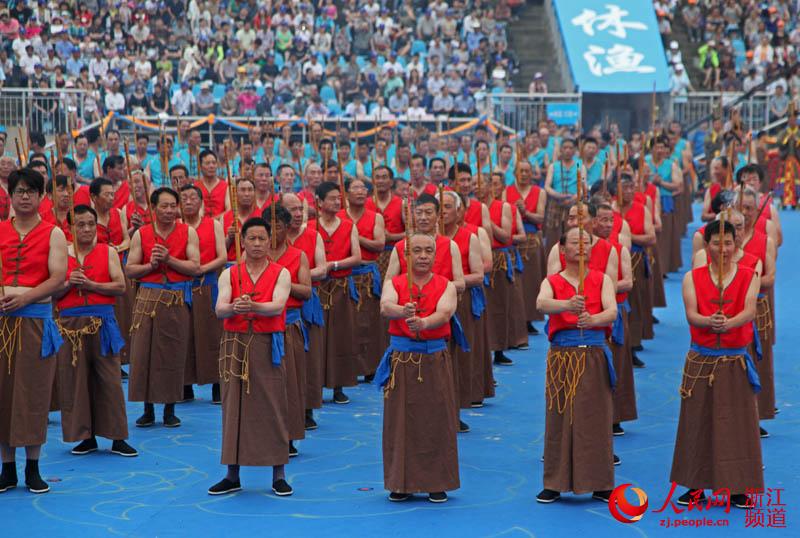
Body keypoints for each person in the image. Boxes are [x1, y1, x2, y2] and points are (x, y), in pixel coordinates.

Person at [669, 219, 762, 508]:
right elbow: (691, 314)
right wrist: (709, 322)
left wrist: (729, 324)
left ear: (737, 246)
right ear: (706, 245)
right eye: (717, 242)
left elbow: (748, 311)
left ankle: (737, 488)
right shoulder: (692, 278)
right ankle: (695, 486)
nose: (723, 248)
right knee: (697, 424)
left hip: (734, 360)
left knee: (737, 424)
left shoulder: (749, 274)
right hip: (701, 361)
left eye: (729, 242)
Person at [208, 217, 293, 497]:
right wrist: (235, 306)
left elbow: (278, 305)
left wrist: (253, 305)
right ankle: (232, 474)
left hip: (267, 343)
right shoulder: (230, 273)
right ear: (242, 241)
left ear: (270, 242)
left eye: (262, 239)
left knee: (273, 404)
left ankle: (279, 474)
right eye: (251, 238)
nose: (257, 244)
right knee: (234, 407)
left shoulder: (281, 272)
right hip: (235, 343)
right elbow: (220, 309)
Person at [535, 227, 617, 503]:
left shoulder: (601, 278)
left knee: (596, 418)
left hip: (593, 353)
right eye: (574, 242)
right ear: (562, 249)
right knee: (559, 416)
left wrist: (593, 320)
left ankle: (600, 482)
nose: (581, 247)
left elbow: (612, 311)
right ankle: (555, 482)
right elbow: (541, 303)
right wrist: (567, 305)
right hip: (562, 356)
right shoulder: (553, 280)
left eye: (586, 242)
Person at [376, 232, 459, 503]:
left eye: (429, 251)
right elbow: (386, 306)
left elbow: (445, 312)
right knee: (399, 421)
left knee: (437, 419)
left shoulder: (446, 284)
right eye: (417, 251)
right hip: (402, 360)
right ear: (406, 256)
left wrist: (423, 323)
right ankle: (400, 482)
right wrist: (403, 311)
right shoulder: (395, 282)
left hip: (434, 358)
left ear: (436, 255)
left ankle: (437, 482)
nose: (423, 256)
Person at [0, 168, 68, 494]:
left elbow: (57, 278)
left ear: (41, 197)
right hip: (2, 322)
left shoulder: (53, 233)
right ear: (10, 196)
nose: (24, 196)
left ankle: (33, 467)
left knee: (33, 393)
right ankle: (7, 467)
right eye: (19, 191)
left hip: (35, 321)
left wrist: (23, 297)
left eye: (31, 191)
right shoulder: (0, 230)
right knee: (3, 393)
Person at [53, 204, 136, 457]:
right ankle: (84, 436)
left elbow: (120, 286)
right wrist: (69, 283)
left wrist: (90, 284)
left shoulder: (108, 251)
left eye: (91, 223)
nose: (87, 228)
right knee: (75, 381)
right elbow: (51, 292)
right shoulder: (61, 254)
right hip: (69, 325)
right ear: (70, 227)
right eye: (80, 224)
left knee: (109, 379)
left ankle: (117, 437)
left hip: (102, 322)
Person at [125, 187, 200, 428]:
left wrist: (169, 260)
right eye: (164, 206)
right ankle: (147, 409)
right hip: (147, 296)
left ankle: (170, 409)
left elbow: (195, 267)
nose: (169, 211)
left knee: (173, 352)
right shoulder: (141, 234)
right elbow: (130, 270)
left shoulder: (188, 232)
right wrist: (151, 265)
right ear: (153, 207)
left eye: (172, 206)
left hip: (175, 298)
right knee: (143, 353)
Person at [264, 203, 311, 457]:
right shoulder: (254, 255)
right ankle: (265, 434)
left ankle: (290, 436)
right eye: (268, 226)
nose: (273, 231)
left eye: (278, 226)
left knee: (290, 383)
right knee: (264, 383)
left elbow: (306, 290)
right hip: (262, 325)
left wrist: (281, 280)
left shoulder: (298, 255)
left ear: (286, 227)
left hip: (289, 324)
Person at [283, 193, 327, 429]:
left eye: (300, 209)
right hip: (280, 303)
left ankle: (308, 408)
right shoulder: (274, 238)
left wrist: (292, 280)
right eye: (292, 210)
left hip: (306, 301)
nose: (298, 214)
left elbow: (321, 269)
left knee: (310, 357)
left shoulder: (313, 235)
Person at [179, 185, 227, 404]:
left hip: (208, 284)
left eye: (193, 197)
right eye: (184, 198)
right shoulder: (176, 227)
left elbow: (222, 257)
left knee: (213, 335)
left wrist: (202, 269)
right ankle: (184, 384)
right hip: (183, 287)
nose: (189, 201)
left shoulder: (214, 225)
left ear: (201, 202)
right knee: (184, 335)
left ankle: (218, 384)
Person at [315, 181, 361, 404]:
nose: (337, 202)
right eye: (332, 198)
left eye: (338, 198)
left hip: (341, 286)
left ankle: (339, 386)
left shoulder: (348, 225)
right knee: (318, 337)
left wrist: (332, 264)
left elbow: (356, 257)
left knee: (341, 336)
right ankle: (315, 385)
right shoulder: (310, 227)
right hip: (317, 288)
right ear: (320, 202)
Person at [341, 178, 386, 380]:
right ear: (346, 193)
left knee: (369, 322)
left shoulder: (375, 217)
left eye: (363, 188)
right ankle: (349, 367)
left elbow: (379, 244)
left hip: (366, 275)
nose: (360, 192)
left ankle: (369, 367)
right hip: (345, 275)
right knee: (348, 324)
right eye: (355, 188)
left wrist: (354, 237)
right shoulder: (340, 216)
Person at [505, 161, 547, 334]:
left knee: (531, 280)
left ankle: (529, 318)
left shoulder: (540, 192)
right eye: (521, 170)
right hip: (513, 240)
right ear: (515, 172)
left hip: (531, 241)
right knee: (515, 282)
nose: (524, 174)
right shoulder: (506, 191)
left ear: (532, 173)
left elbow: (540, 217)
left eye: (527, 171)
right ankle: (516, 318)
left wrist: (525, 213)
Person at [195, 150, 230, 218]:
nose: (211, 166)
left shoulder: (226, 186)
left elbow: (229, 210)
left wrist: (212, 222)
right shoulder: (195, 187)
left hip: (221, 224)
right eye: (207, 163)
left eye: (214, 163)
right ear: (200, 166)